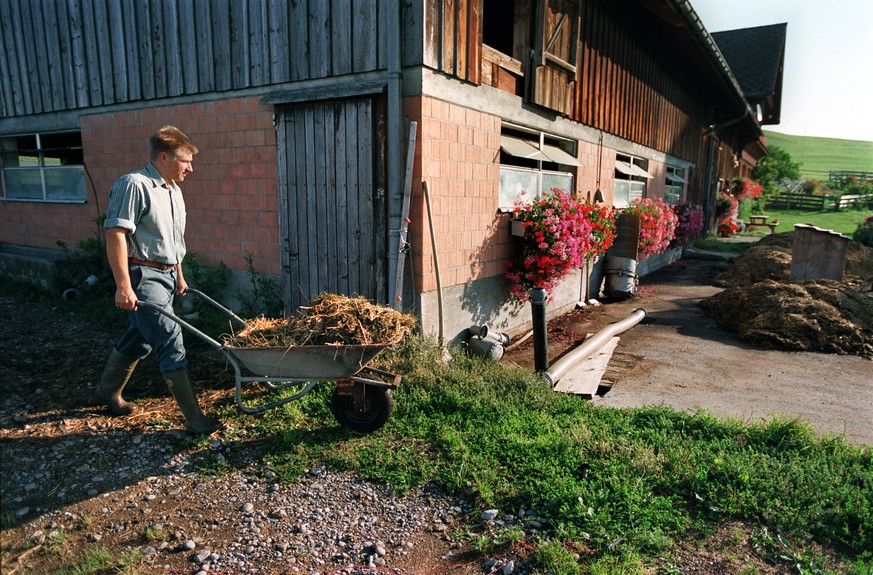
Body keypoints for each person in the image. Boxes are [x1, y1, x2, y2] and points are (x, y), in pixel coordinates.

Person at [94, 125, 222, 435]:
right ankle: (195, 419)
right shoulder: (133, 185)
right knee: (169, 338)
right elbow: (116, 234)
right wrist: (123, 285)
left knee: (139, 338)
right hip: (142, 274)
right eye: (185, 161)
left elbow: (173, 239)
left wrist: (178, 273)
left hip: (165, 274)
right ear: (163, 157)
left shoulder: (173, 190)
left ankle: (107, 392)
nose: (190, 168)